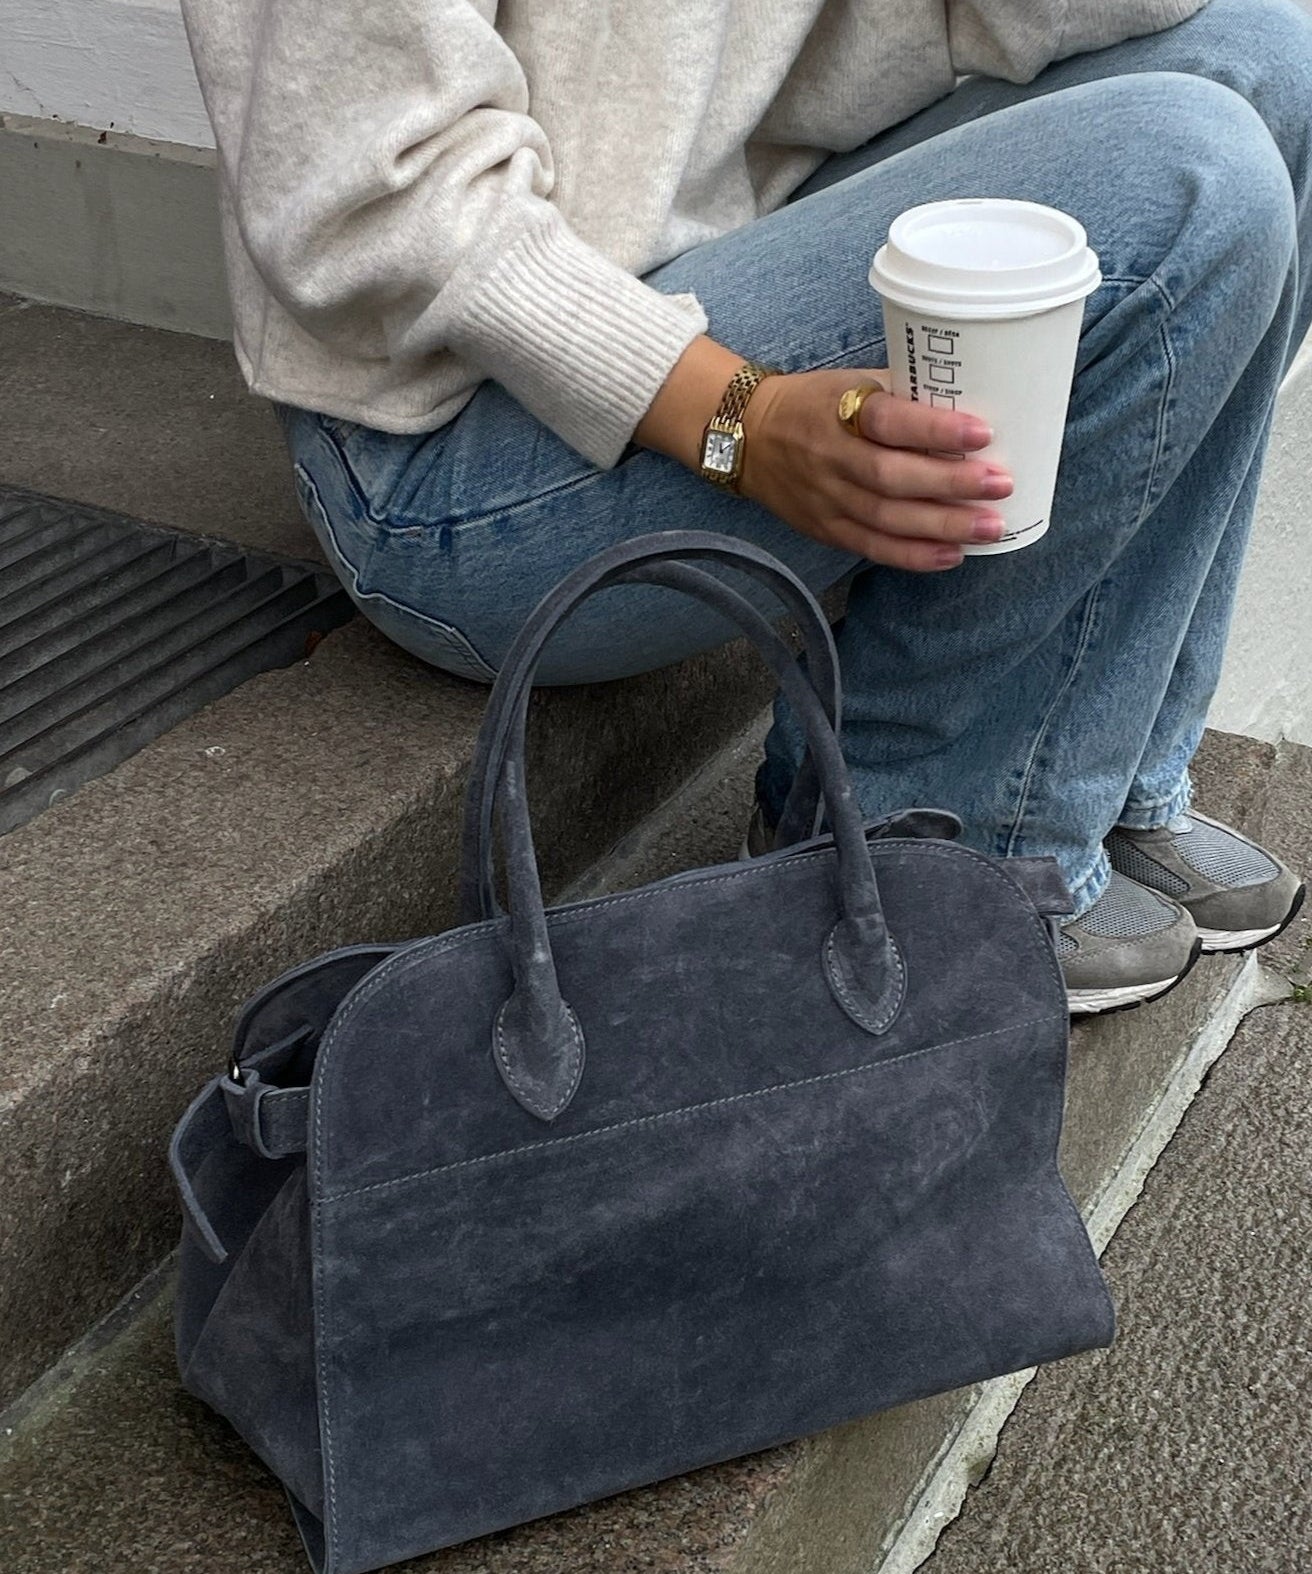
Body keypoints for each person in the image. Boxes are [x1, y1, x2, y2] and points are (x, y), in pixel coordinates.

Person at [181, 0, 1308, 1014]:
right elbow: (369, 198)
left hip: (718, 260)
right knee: (1191, 174)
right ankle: (898, 833)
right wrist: (739, 417)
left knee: (1279, 59)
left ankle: (1096, 764)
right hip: (445, 438)